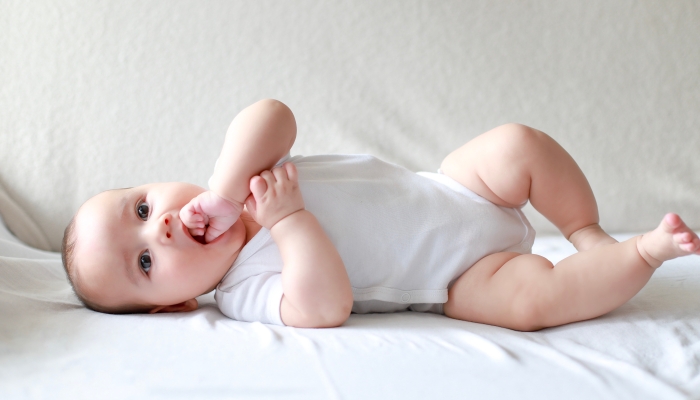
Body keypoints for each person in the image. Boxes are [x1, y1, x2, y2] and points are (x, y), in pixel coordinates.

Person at [61, 99, 700, 331]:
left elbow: (273, 113)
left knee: (516, 143)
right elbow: (323, 306)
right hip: (460, 278)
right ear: (172, 306)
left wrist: (230, 192)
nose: (161, 227)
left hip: (457, 191)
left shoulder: (246, 173)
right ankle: (640, 253)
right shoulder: (240, 292)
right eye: (145, 260)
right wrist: (288, 223)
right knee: (533, 305)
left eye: (143, 208)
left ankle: (587, 231)